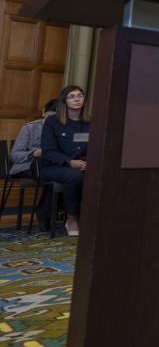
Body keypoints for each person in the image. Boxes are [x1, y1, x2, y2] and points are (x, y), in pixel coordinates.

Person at [40, 86, 89, 237]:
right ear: (64, 101)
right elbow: (48, 151)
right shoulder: (52, 122)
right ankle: (71, 218)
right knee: (74, 176)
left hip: (82, 165)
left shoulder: (90, 122)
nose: (76, 98)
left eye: (80, 95)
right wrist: (69, 161)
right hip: (53, 167)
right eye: (72, 96)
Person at [9, 100, 57, 230]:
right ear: (43, 113)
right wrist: (34, 153)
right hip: (27, 166)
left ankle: (56, 213)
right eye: (49, 117)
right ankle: (45, 216)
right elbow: (14, 155)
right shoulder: (30, 128)